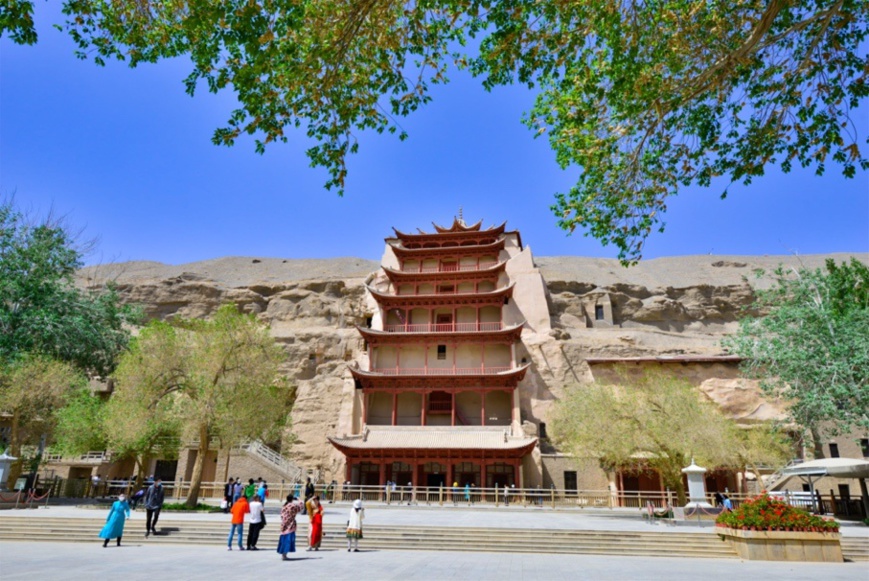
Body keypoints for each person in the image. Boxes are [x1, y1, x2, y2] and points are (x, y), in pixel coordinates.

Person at [277, 494, 305, 561]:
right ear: (292, 499)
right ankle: (285, 554)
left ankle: (283, 554)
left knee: (284, 539)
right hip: (290, 524)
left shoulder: (284, 506)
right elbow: (301, 506)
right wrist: (299, 499)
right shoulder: (292, 506)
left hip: (284, 524)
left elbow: (281, 515)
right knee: (288, 539)